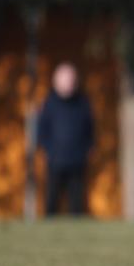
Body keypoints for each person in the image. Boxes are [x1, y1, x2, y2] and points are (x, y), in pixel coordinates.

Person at [37, 62, 94, 216]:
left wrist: (86, 150)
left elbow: (90, 129)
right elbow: (42, 130)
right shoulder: (49, 102)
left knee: (76, 202)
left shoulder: (82, 102)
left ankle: (77, 233)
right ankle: (48, 232)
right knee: (52, 199)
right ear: (56, 81)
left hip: (77, 160)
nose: (69, 83)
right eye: (65, 80)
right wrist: (49, 150)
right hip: (55, 160)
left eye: (71, 80)